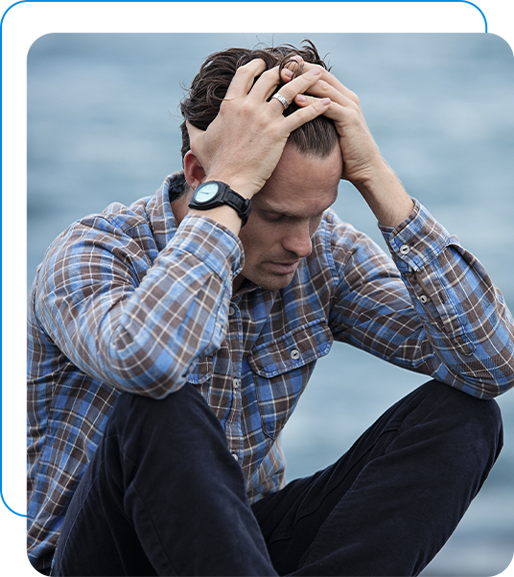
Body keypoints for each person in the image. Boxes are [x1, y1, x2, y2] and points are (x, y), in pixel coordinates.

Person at [26, 40, 513, 576]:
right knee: (160, 403)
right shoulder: (93, 253)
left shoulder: (323, 254)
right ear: (199, 175)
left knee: (466, 417)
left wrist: (377, 177)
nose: (302, 243)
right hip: (102, 556)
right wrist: (229, 190)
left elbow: (492, 364)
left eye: (317, 214)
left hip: (239, 547)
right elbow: (152, 362)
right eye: (278, 216)